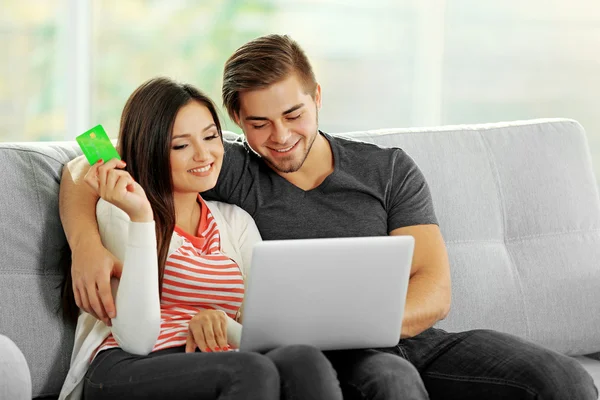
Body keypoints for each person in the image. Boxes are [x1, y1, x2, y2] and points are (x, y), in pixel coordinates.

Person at [59, 35, 598, 400]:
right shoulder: (226, 167)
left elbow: (434, 289)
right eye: (260, 124)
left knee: (563, 378)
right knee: (390, 381)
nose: (282, 136)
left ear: (317, 96)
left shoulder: (386, 169)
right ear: (238, 123)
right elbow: (91, 155)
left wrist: (362, 323)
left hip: (413, 335)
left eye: (294, 114)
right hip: (327, 353)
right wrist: (87, 244)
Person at [58, 77, 343, 400]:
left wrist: (221, 322)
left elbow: (263, 332)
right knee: (252, 369)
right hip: (126, 366)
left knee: (302, 359)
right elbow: (136, 338)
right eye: (181, 145)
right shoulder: (121, 211)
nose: (203, 154)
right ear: (151, 151)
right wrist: (141, 218)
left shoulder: (235, 221)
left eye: (210, 137)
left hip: (219, 362)